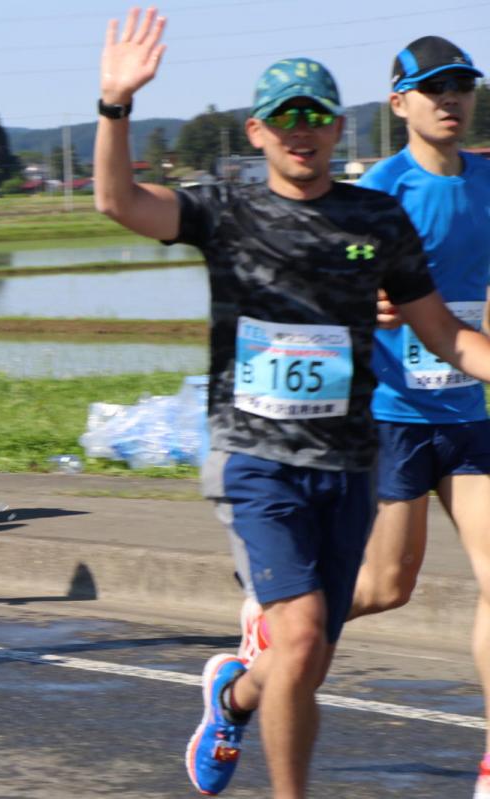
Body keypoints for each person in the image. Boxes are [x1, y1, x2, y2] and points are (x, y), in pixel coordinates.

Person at [94, 9, 490, 797]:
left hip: (350, 460)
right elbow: (119, 204)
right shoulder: (227, 208)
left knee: (310, 647)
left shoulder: (372, 218)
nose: (300, 131)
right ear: (257, 132)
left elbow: (444, 329)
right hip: (266, 457)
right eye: (285, 119)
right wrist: (115, 106)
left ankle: (235, 692)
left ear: (337, 129)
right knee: (312, 628)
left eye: (314, 117)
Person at [333, 37, 490, 799]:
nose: (451, 100)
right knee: (388, 586)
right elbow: (332, 296)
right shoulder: (380, 190)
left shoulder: (489, 181)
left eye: (462, 86)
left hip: (468, 410)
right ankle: (265, 650)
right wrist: (370, 304)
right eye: (434, 89)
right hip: (395, 415)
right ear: (400, 104)